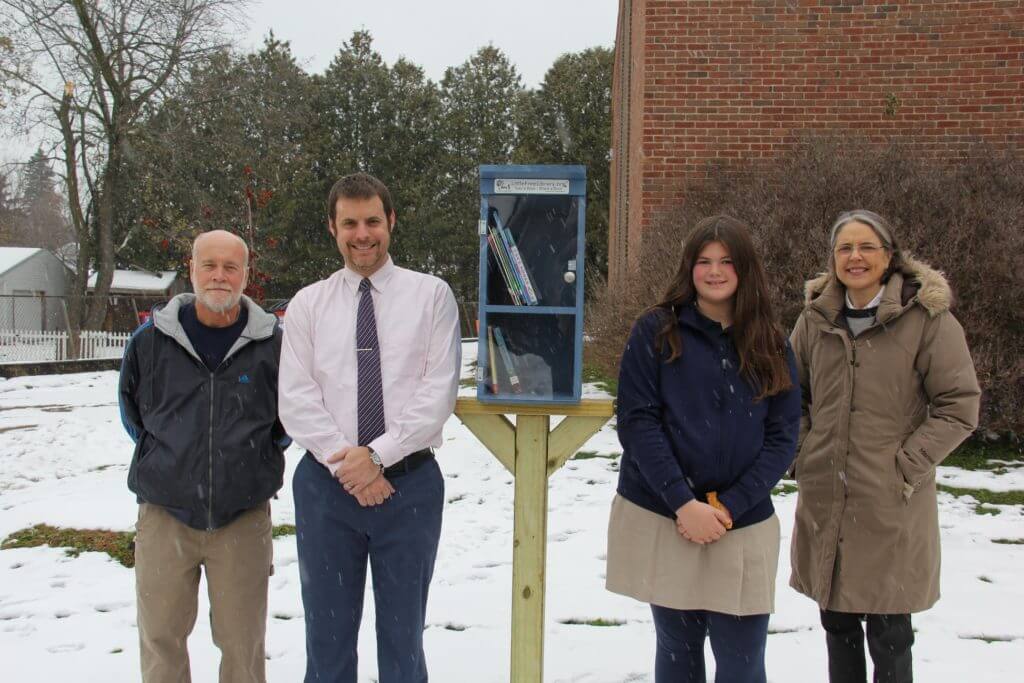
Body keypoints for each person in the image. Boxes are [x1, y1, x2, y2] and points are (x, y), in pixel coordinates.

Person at [278, 172, 461, 683]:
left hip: (410, 488)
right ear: (332, 229)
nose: (363, 234)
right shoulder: (308, 304)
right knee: (328, 641)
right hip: (326, 489)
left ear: (392, 222)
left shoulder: (432, 296)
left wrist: (376, 456)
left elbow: (437, 392)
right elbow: (295, 399)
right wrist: (351, 464)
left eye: (373, 221)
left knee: (403, 644)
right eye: (350, 223)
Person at [788, 210, 981, 683]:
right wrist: (803, 454)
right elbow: (788, 396)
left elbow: (959, 405)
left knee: (890, 632)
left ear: (889, 257)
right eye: (844, 248)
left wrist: (907, 464)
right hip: (826, 497)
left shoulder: (926, 320)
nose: (855, 258)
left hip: (890, 501)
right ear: (833, 260)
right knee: (837, 624)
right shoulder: (815, 320)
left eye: (866, 247)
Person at [607, 215, 801, 683]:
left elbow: (782, 436)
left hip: (743, 522)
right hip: (667, 514)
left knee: (742, 659)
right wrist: (683, 502)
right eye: (704, 261)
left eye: (727, 261)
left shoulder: (771, 341)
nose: (715, 271)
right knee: (677, 652)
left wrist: (728, 506)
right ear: (689, 267)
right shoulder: (656, 330)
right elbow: (638, 421)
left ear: (745, 269)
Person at [118, 230, 288, 683]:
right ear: (191, 269)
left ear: (246, 275)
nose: (219, 276)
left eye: (231, 267)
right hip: (164, 515)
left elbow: (285, 425)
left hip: (242, 517)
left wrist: (244, 465)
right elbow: (133, 416)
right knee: (160, 641)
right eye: (209, 265)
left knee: (243, 647)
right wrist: (174, 463)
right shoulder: (149, 342)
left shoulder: (272, 345)